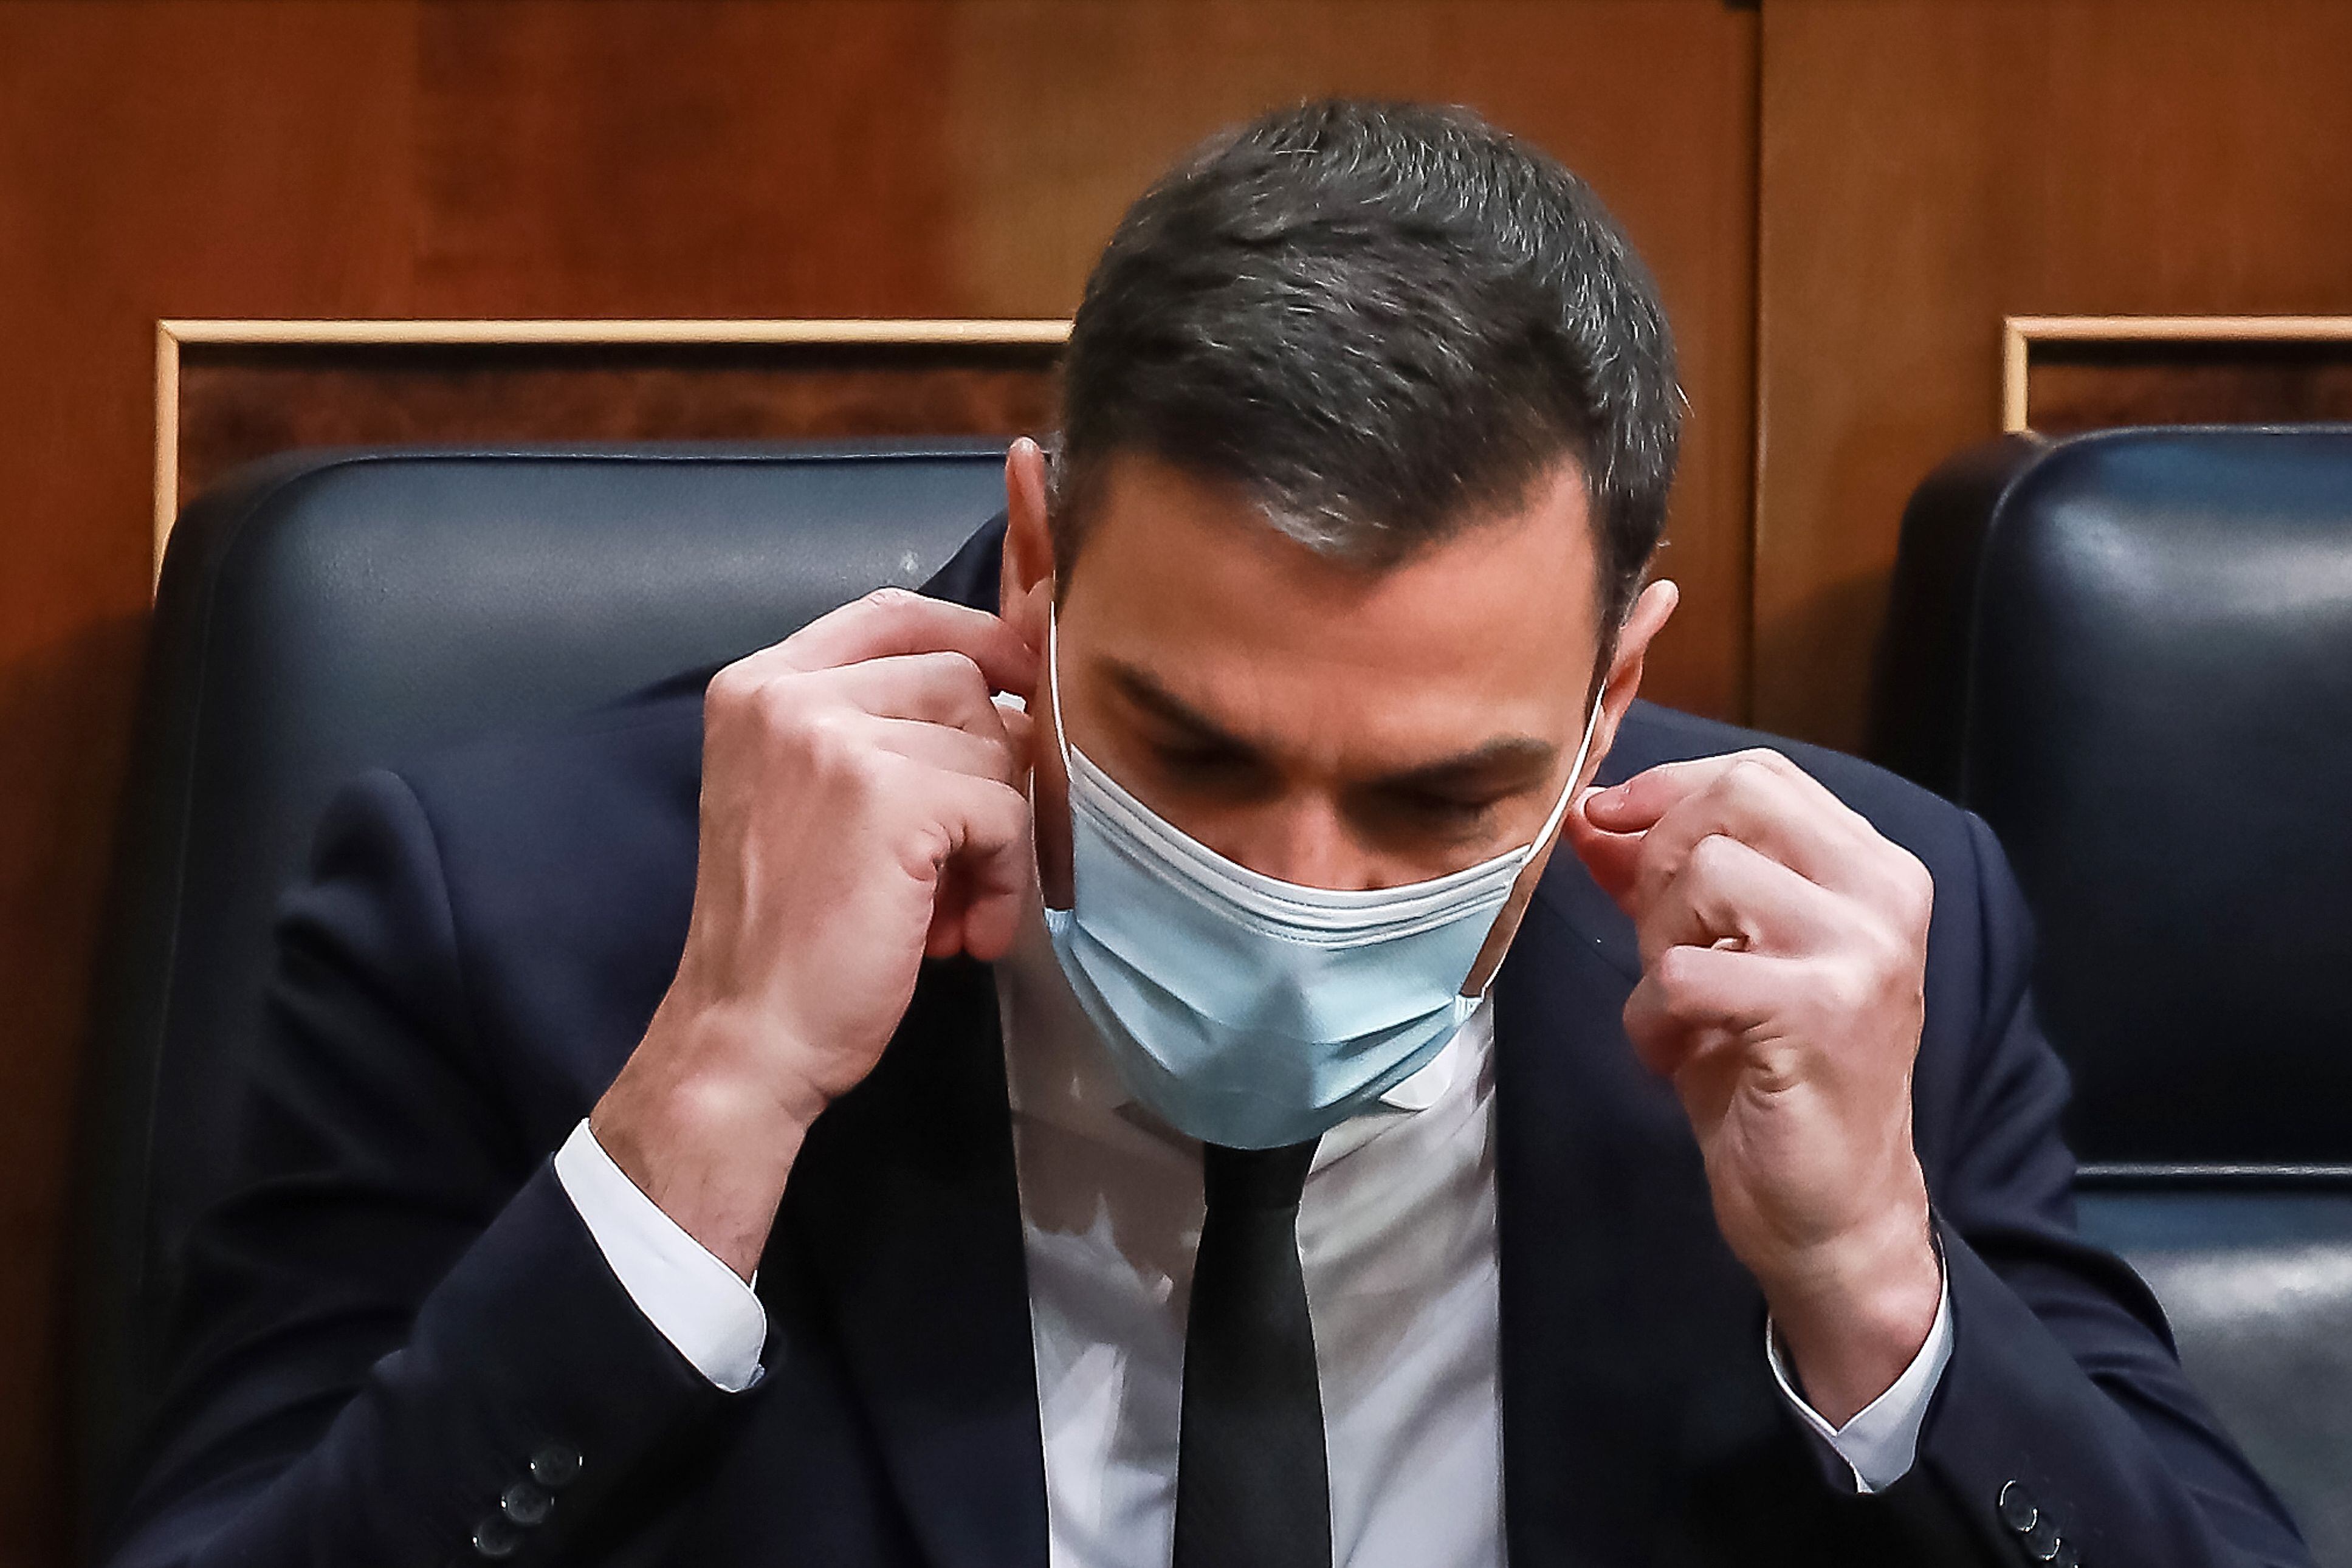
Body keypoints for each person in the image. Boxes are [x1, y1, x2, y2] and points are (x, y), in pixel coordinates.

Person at [109, 100, 2306, 1568]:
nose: (1300, 882)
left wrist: (1877, 1290)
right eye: (1196, 748)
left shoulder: (1850, 961)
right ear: (1038, 563)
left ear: (1613, 686)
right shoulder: (524, 917)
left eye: (1437, 791)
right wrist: (715, 1096)